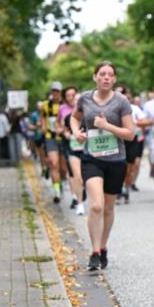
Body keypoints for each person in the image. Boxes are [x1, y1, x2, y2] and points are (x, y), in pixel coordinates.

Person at [70, 62, 135, 271]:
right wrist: (76, 132)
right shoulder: (85, 99)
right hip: (92, 158)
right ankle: (95, 251)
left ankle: (104, 245)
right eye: (102, 74)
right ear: (95, 77)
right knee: (96, 205)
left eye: (110, 75)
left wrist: (106, 126)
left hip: (116, 159)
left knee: (108, 207)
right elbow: (74, 117)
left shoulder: (122, 101)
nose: (106, 78)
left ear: (114, 79)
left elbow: (130, 133)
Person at [60, 87, 86, 215]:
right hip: (73, 149)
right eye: (75, 100)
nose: (77, 103)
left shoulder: (90, 117)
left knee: (85, 178)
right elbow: (64, 130)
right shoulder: (69, 117)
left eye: (80, 101)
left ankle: (82, 191)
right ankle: (80, 203)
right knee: (77, 176)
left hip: (88, 150)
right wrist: (67, 134)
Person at [40, 82, 66, 203]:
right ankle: (56, 192)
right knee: (54, 164)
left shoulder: (65, 105)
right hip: (50, 137)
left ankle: (62, 183)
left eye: (57, 91)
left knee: (64, 168)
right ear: (51, 92)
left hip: (63, 138)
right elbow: (43, 118)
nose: (55, 93)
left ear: (61, 93)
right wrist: (44, 126)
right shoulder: (45, 105)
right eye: (53, 91)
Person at [122, 90, 146, 202]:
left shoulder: (135, 109)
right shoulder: (114, 108)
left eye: (128, 97)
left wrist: (134, 123)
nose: (126, 99)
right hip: (118, 139)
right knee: (119, 167)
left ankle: (126, 189)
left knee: (130, 167)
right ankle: (119, 189)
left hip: (132, 139)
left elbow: (144, 121)